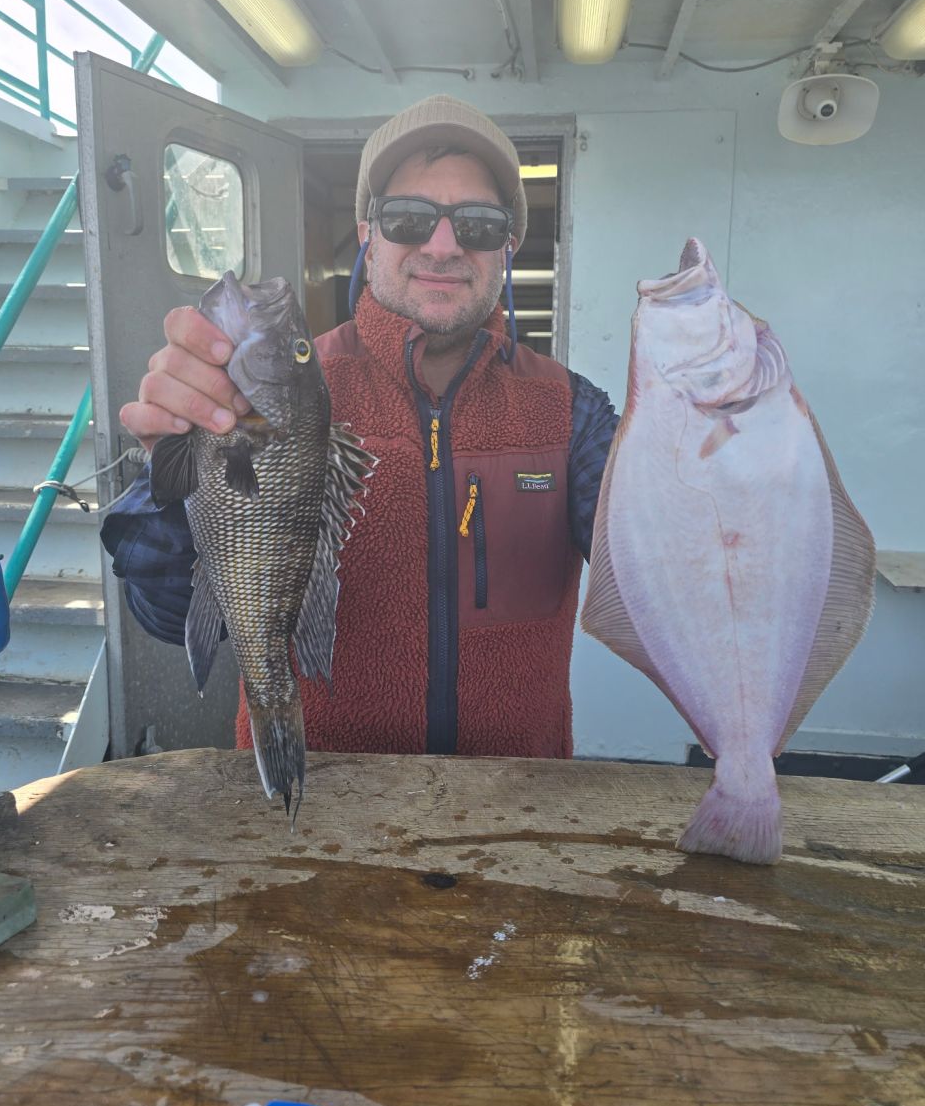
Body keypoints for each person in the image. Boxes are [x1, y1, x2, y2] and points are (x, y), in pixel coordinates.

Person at [102, 95, 618, 759]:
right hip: (316, 823)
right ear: (368, 233)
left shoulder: (573, 410)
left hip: (516, 822)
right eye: (409, 218)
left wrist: (716, 436)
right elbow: (165, 610)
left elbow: (656, 566)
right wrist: (178, 466)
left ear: (508, 246)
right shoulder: (269, 385)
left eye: (479, 224)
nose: (442, 244)